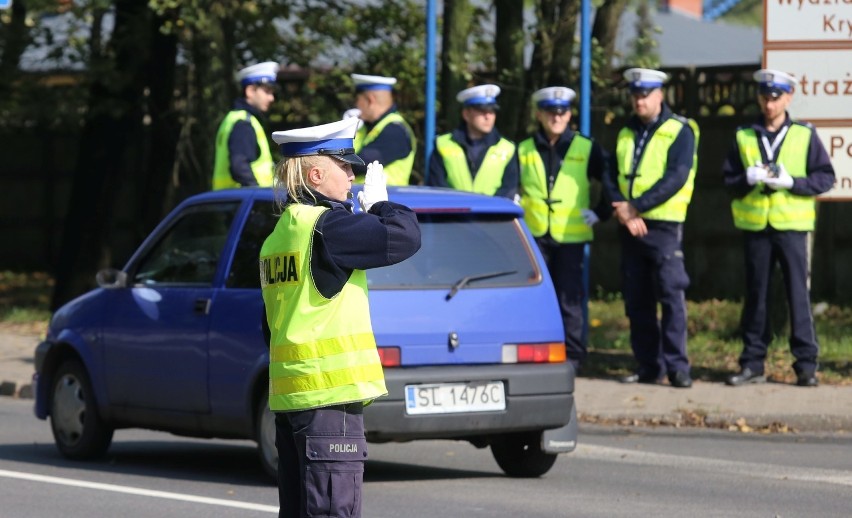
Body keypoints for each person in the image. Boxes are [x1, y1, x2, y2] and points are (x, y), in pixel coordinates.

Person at [261, 117, 421, 518]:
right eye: (344, 165)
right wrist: (381, 205)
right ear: (316, 174)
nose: (353, 174)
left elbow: (271, 322)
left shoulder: (280, 234)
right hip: (329, 404)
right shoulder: (328, 228)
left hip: (291, 399)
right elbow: (405, 236)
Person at [722, 69, 835, 388]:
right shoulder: (744, 135)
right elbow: (728, 181)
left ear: (788, 98)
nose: (769, 104)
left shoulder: (803, 134)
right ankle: (753, 363)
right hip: (756, 225)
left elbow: (825, 177)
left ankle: (806, 365)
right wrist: (747, 179)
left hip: (792, 227)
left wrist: (792, 183)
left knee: (797, 296)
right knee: (756, 296)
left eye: (775, 97)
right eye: (764, 97)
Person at [602, 68, 699, 389]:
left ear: (660, 95)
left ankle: (677, 367)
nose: (639, 100)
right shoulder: (625, 132)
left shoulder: (680, 130)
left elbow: (676, 176)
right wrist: (623, 210)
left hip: (663, 226)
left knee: (671, 296)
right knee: (637, 299)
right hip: (630, 226)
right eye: (635, 95)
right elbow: (610, 175)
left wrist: (636, 206)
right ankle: (648, 366)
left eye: (645, 94)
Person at [518, 86, 610, 372]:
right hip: (534, 235)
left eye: (562, 112)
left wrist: (601, 212)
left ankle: (573, 356)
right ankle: (539, 350)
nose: (557, 117)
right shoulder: (524, 148)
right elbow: (512, 185)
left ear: (569, 115)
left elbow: (609, 180)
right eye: (550, 112)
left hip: (571, 235)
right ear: (539, 114)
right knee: (536, 297)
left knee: (570, 299)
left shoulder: (586, 146)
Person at [427, 84, 519, 198]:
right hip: (453, 214)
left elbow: (508, 191)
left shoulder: (508, 149)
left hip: (493, 215)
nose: (488, 116)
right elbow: (437, 188)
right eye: (482, 110)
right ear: (466, 114)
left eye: (492, 111)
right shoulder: (442, 144)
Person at [212, 61, 279, 190]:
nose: (272, 98)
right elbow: (239, 166)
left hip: (233, 202)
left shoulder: (235, 118)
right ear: (250, 91)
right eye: (267, 91)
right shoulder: (243, 123)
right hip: (243, 202)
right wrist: (257, 196)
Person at [350, 73, 416, 185]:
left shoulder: (395, 131)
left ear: (370, 100)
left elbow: (358, 164)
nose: (356, 105)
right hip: (362, 198)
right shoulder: (367, 128)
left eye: (357, 100)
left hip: (386, 199)